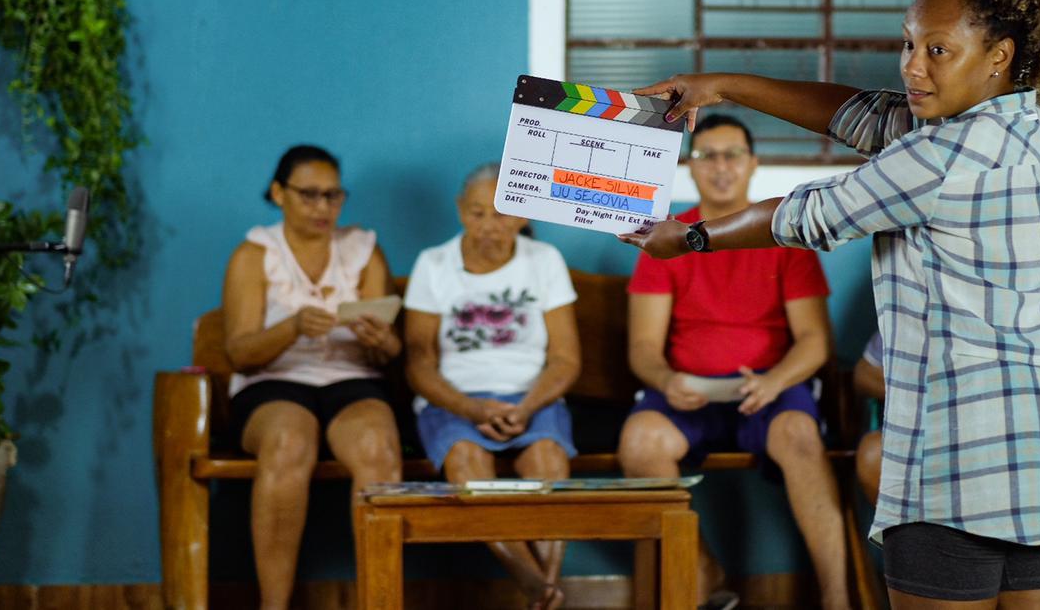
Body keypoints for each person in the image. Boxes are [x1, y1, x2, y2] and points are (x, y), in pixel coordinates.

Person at [620, 0, 1040, 608]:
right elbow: (858, 114)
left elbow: (815, 211)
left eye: (936, 51)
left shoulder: (947, 155)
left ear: (999, 52)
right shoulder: (1024, 124)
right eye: (908, 44)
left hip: (963, 442)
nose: (913, 65)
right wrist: (720, 85)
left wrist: (692, 237)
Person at [617, 114, 850, 610]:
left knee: (800, 436)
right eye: (707, 156)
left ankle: (837, 599)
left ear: (752, 164)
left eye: (732, 155)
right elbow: (642, 348)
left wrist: (774, 381)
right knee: (639, 442)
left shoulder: (784, 234)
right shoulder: (666, 238)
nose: (720, 167)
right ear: (691, 167)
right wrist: (666, 379)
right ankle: (701, 565)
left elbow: (813, 341)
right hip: (686, 392)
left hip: (768, 389)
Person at [223, 145, 403, 610]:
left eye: (333, 196)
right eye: (309, 195)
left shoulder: (363, 247)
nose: (323, 207)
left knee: (377, 448)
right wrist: (291, 327)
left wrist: (378, 338)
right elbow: (239, 353)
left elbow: (390, 355)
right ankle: (274, 604)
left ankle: (380, 600)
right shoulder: (254, 253)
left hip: (351, 375)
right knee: (288, 441)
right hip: (272, 380)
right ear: (279, 193)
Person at [404, 163, 580, 610]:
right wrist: (471, 408)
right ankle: (534, 583)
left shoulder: (544, 261)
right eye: (478, 213)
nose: (489, 226)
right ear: (461, 212)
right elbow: (419, 363)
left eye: (503, 213)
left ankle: (547, 588)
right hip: (455, 398)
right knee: (466, 461)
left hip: (533, 395)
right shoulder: (434, 264)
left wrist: (526, 408)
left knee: (548, 461)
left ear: (523, 215)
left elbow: (564, 360)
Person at [853, 265, 1040, 505]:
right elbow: (865, 374)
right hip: (944, 425)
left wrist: (1036, 390)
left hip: (1031, 429)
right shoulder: (933, 276)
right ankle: (925, 566)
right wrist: (934, 392)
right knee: (873, 455)